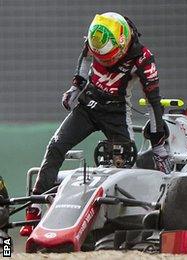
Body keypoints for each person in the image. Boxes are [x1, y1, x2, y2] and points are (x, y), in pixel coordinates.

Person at [20, 12, 172, 236]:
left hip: (117, 112)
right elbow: (84, 62)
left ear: (122, 43)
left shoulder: (142, 57)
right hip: (87, 106)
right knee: (55, 147)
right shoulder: (97, 38)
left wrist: (158, 143)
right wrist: (75, 88)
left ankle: (129, 224)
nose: (103, 60)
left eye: (108, 57)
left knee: (125, 168)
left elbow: (153, 100)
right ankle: (34, 211)